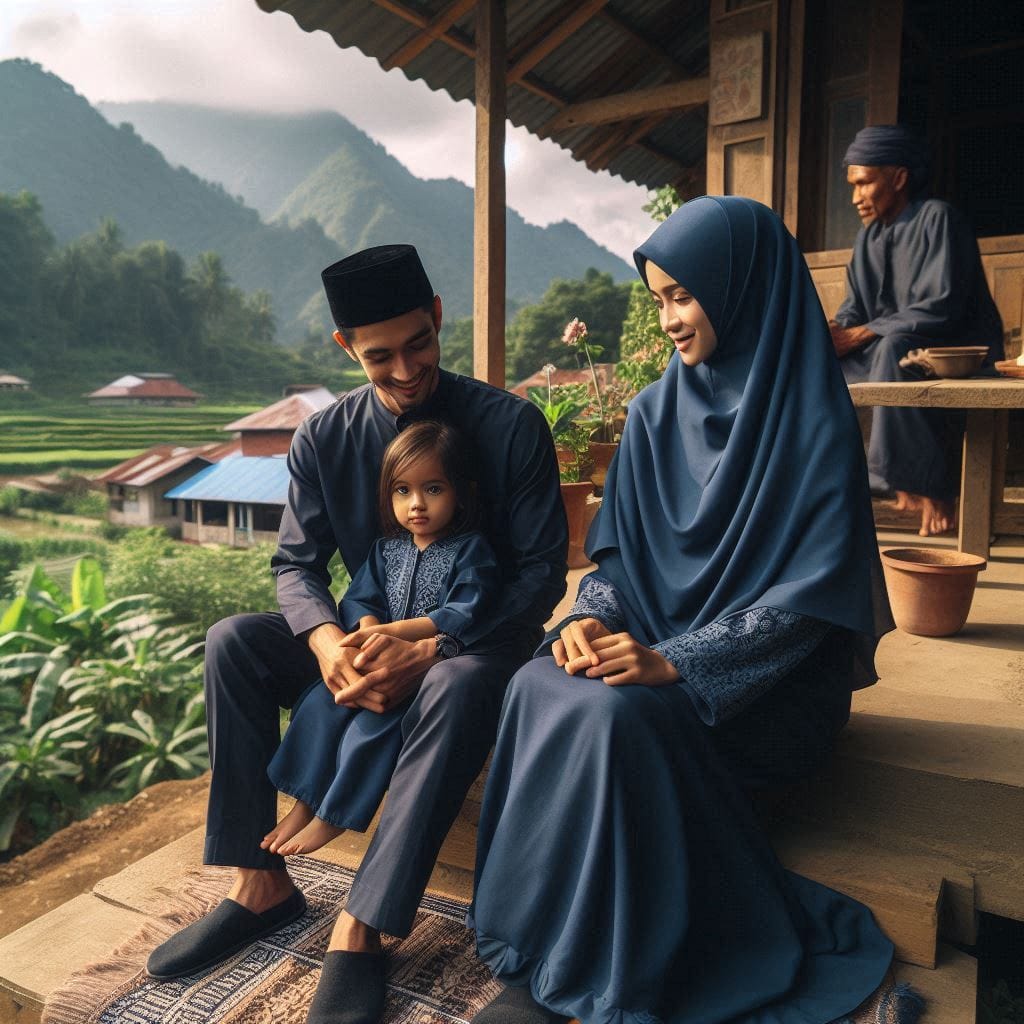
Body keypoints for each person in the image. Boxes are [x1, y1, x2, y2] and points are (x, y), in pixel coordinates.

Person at [468, 196, 899, 1024]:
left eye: (683, 296)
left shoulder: (812, 421)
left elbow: (808, 605)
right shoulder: (659, 411)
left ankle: (594, 973)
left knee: (615, 719)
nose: (667, 319)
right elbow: (620, 562)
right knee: (536, 683)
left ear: (744, 290)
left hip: (764, 697)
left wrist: (682, 661)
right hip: (660, 654)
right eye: (659, 298)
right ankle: (539, 942)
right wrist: (591, 618)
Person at [146, 244, 568, 1024]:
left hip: (477, 649)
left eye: (419, 344)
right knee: (233, 641)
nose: (406, 370)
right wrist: (328, 645)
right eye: (380, 357)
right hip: (364, 641)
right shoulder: (323, 438)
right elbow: (296, 568)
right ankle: (260, 883)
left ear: (438, 317)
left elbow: (542, 575)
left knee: (453, 678)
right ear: (346, 348)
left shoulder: (511, 426)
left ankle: (362, 925)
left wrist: (433, 646)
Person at [262, 419, 500, 857]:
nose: (416, 505)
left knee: (373, 729)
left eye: (433, 489)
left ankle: (334, 815)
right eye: (402, 491)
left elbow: (462, 612)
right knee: (319, 703)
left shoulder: (472, 550)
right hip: (375, 656)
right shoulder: (385, 550)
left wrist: (394, 636)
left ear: (461, 491)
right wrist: (370, 631)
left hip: (422, 672)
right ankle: (303, 802)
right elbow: (359, 600)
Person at [830, 124, 1003, 537]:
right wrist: (829, 334)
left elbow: (942, 305)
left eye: (864, 183)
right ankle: (854, 486)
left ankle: (930, 489)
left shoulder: (937, 219)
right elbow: (853, 312)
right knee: (828, 367)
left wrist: (860, 333)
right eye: (852, 186)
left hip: (952, 349)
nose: (855, 197)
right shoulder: (867, 240)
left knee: (893, 347)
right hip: (891, 348)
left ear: (900, 178)